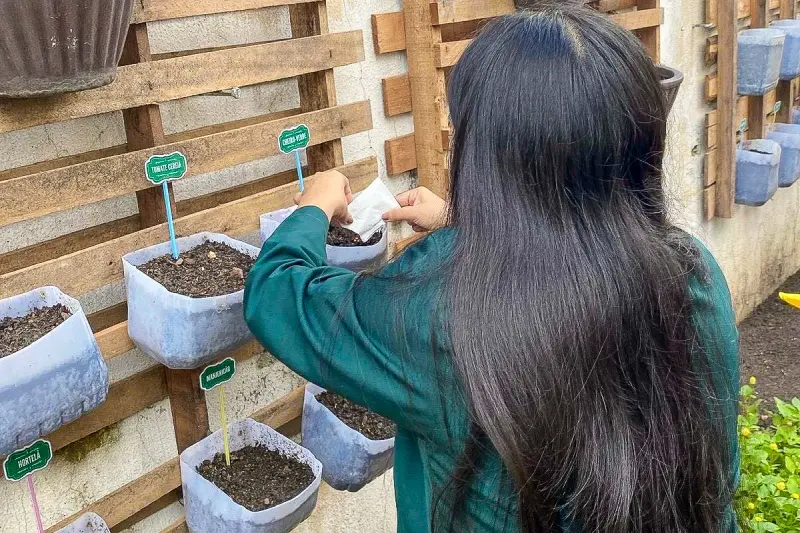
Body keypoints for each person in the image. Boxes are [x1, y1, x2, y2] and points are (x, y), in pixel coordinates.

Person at [243, 2, 739, 532]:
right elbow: (573, 246)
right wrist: (466, 225)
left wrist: (314, 206)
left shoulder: (443, 307)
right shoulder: (691, 271)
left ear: (484, 155)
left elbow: (277, 294)